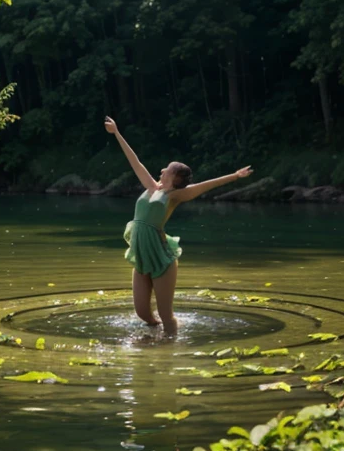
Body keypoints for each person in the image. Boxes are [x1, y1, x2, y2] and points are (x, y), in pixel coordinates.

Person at [104, 116, 252, 335]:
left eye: (167, 169)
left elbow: (204, 186)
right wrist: (117, 133)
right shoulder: (151, 186)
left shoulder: (175, 195)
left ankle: (171, 347)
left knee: (166, 316)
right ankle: (153, 338)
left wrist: (235, 176)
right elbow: (134, 161)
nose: (162, 169)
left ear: (173, 176)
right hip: (141, 254)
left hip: (161, 256)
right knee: (143, 313)